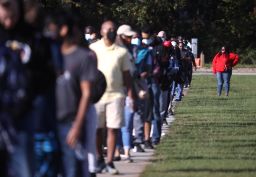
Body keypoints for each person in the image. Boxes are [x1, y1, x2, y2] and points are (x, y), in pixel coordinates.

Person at [90, 20, 135, 175]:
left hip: (116, 95)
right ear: (101, 31)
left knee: (113, 128)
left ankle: (109, 161)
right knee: (97, 129)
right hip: (97, 95)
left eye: (113, 29)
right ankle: (98, 158)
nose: (111, 31)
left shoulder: (122, 52)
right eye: (108, 29)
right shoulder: (93, 48)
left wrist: (130, 96)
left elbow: (127, 75)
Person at [56, 13, 98, 177]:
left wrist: (77, 125)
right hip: (53, 120)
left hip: (74, 118)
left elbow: (87, 93)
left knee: (75, 166)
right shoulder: (50, 54)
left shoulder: (85, 56)